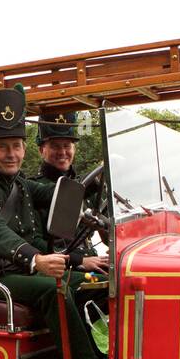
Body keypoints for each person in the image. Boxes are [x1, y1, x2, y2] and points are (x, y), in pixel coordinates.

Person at [0, 85, 107, 359]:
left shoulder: (21, 185)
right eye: (2, 147)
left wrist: (105, 189)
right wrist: (36, 260)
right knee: (54, 290)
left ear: (26, 149)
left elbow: (60, 196)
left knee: (97, 285)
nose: (11, 154)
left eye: (16, 146)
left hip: (19, 273)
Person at [33, 107, 109, 258]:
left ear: (74, 148)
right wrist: (78, 261)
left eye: (67, 145)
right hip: (59, 264)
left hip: (91, 258)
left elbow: (108, 236)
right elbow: (34, 242)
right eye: (55, 146)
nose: (62, 152)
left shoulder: (90, 186)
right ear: (42, 150)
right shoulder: (35, 189)